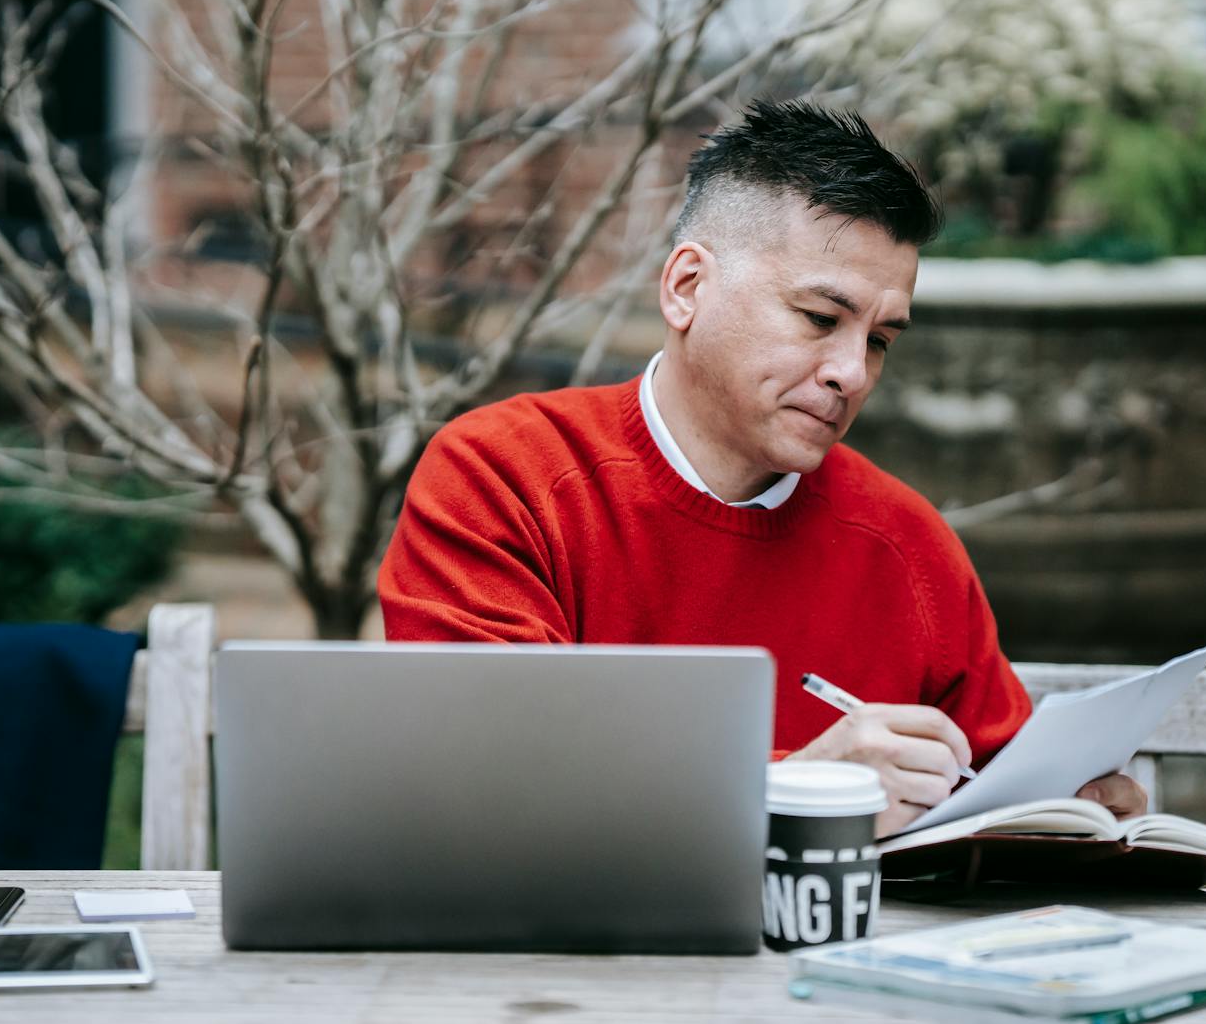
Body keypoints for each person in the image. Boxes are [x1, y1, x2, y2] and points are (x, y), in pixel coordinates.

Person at [379, 100, 1144, 835]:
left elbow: (995, 789)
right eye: (820, 319)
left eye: (880, 339)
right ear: (687, 288)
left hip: (848, 962)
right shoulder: (504, 476)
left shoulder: (907, 543)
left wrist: (1067, 808)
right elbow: (491, 769)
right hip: (561, 962)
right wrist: (804, 786)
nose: (853, 372)